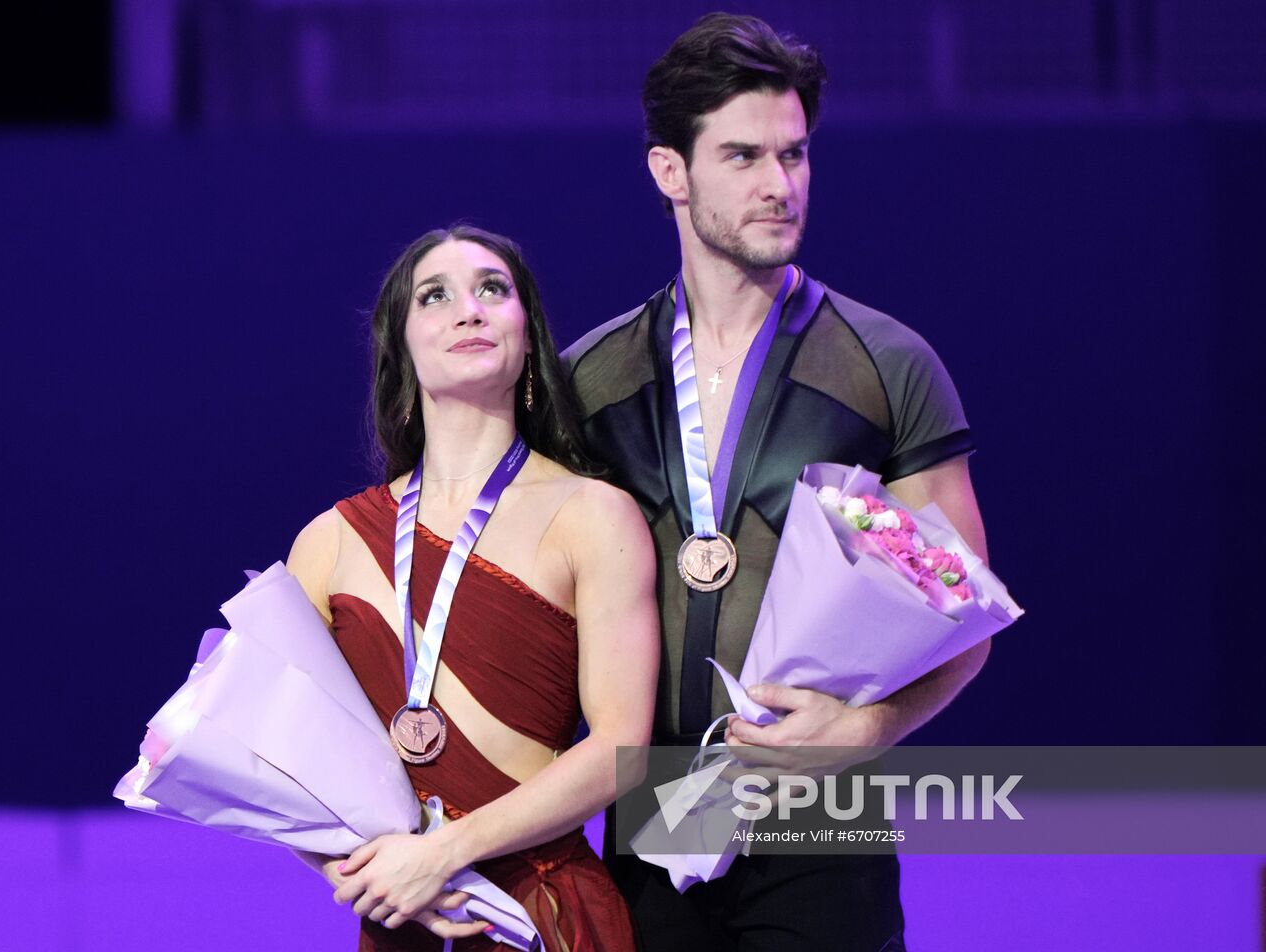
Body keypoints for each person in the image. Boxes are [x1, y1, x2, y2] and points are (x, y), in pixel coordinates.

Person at [562, 13, 992, 952]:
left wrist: (867, 729)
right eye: (744, 156)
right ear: (669, 172)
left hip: (822, 822)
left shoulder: (889, 365)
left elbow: (964, 614)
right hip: (650, 823)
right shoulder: (588, 383)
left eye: (795, 155)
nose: (778, 184)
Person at [285, 225, 659, 951]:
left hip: (546, 916)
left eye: (494, 289)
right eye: (436, 296)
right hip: (403, 920)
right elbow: (279, 761)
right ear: (403, 349)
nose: (470, 309)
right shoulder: (327, 541)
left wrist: (444, 854)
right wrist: (366, 873)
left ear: (528, 340)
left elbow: (623, 747)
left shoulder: (592, 515)